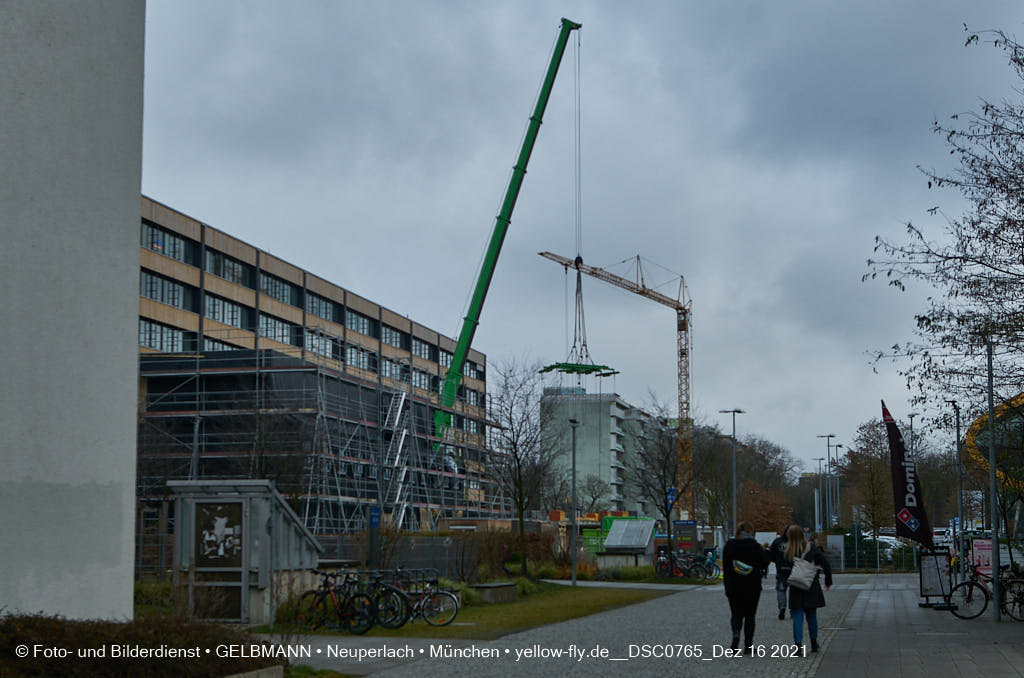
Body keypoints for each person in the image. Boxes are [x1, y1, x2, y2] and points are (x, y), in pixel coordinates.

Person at [722, 521, 770, 655]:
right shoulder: (755, 546)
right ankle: (748, 645)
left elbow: (726, 567)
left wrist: (727, 586)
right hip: (752, 586)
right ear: (750, 532)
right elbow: (764, 562)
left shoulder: (729, 546)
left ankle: (736, 634)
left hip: (734, 585)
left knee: (736, 614)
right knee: (750, 615)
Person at [784, 525, 832, 653]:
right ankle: (814, 643)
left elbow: (784, 571)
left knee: (798, 617)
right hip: (811, 585)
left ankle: (798, 646)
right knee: (812, 616)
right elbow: (825, 563)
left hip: (796, 586)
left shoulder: (788, 551)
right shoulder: (811, 547)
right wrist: (828, 580)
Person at [769, 525, 795, 620]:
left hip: (781, 570)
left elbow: (771, 554)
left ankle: (782, 606)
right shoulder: (796, 542)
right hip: (795, 571)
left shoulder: (777, 542)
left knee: (781, 590)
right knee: (794, 592)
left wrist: (777, 561)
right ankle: (793, 610)